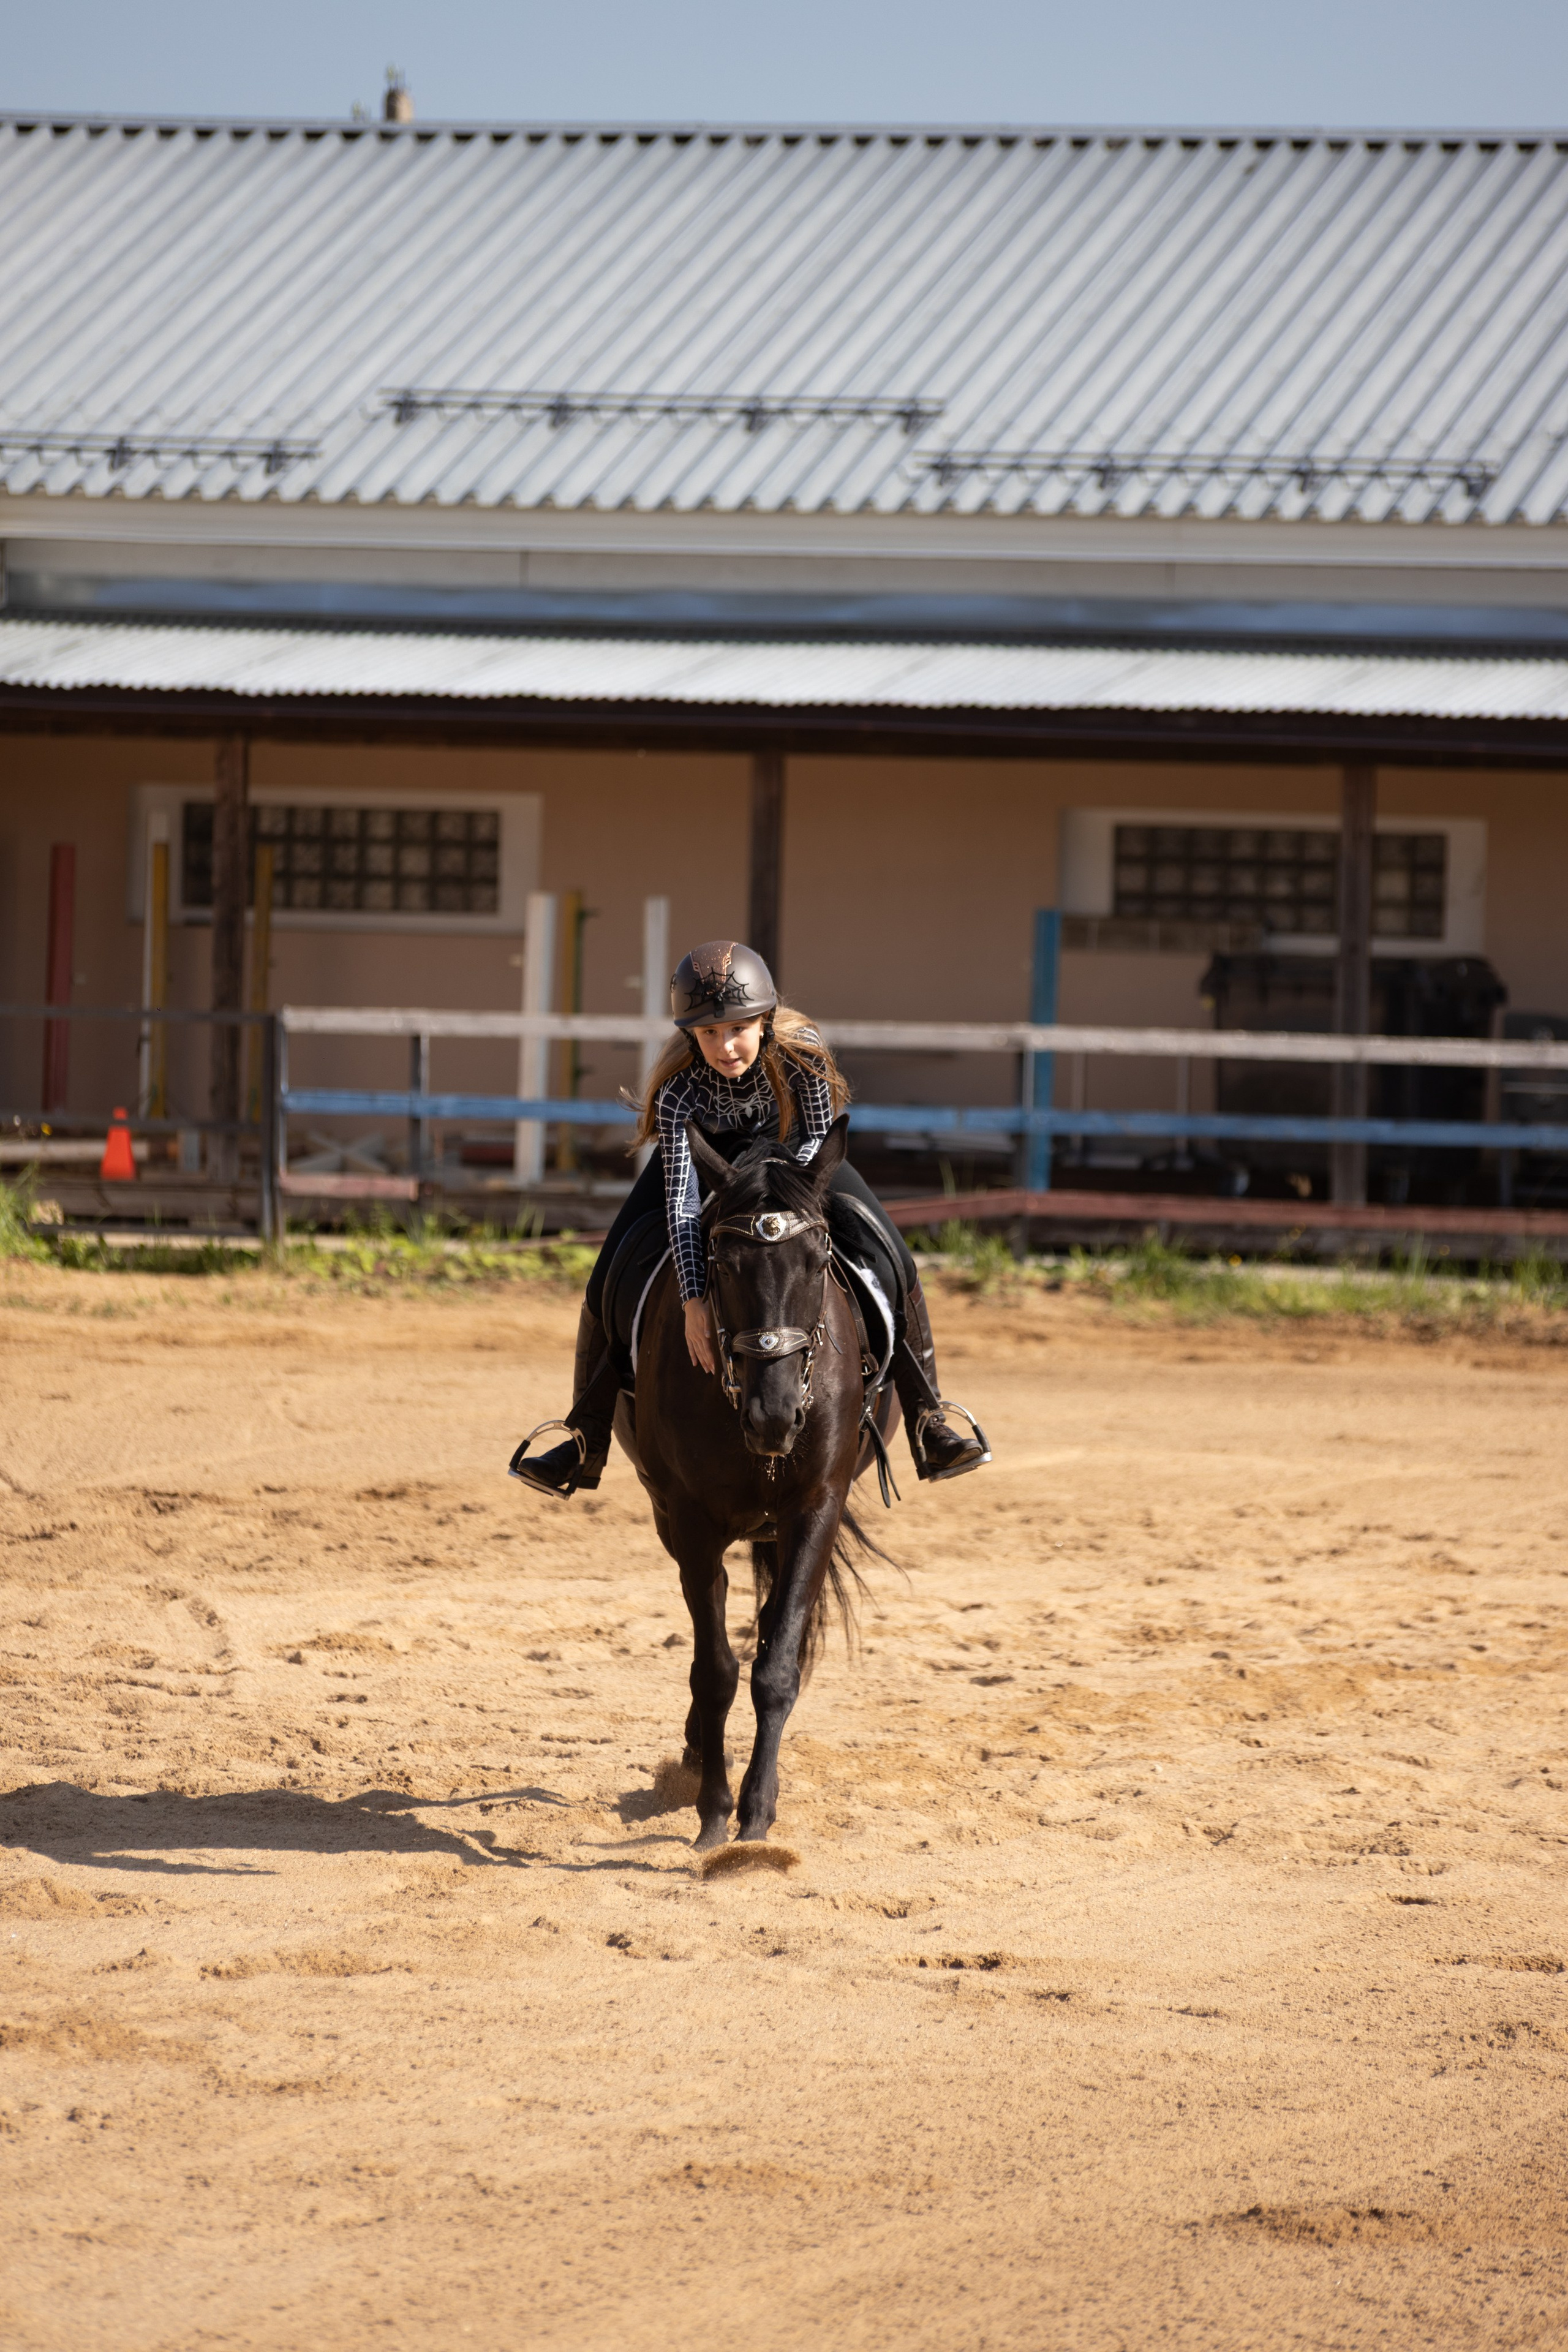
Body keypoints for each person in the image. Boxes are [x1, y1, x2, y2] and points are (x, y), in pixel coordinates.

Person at [510, 939, 990, 1499]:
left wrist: (778, 1192)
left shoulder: (802, 1052)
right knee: (608, 1271)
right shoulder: (677, 1091)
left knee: (893, 1256)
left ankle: (929, 1420)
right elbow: (684, 1203)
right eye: (708, 1033)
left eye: (736, 1028)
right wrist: (692, 1299)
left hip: (794, 1162)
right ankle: (583, 1437)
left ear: (764, 1020)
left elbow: (815, 1137)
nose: (724, 1046)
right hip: (700, 1162)